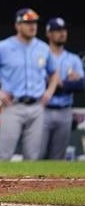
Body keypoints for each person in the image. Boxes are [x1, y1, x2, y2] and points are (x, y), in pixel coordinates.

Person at [0, 8, 59, 160]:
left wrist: (49, 92)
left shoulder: (43, 48)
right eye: (27, 23)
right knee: (4, 155)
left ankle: (27, 185)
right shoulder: (3, 47)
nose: (32, 26)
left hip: (37, 107)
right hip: (13, 105)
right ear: (17, 25)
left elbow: (54, 72)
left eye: (34, 23)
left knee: (32, 157)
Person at [40, 18, 84, 159]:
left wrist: (58, 84)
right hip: (43, 110)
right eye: (57, 30)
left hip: (65, 110)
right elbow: (38, 84)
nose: (62, 33)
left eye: (64, 30)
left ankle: (52, 183)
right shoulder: (40, 56)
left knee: (57, 158)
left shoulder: (73, 59)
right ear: (49, 34)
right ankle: (32, 182)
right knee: (36, 155)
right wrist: (66, 83)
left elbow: (81, 85)